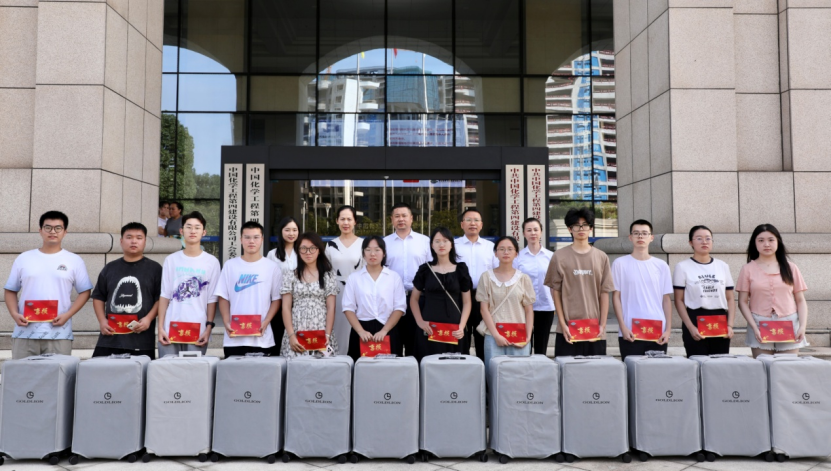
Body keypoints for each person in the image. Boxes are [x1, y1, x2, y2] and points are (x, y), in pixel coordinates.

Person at [4, 211, 93, 359]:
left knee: (58, 374)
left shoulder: (74, 260)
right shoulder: (24, 258)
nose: (53, 232)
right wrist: (14, 314)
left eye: (58, 228)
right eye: (48, 227)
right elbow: (10, 290)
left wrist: (67, 315)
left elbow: (85, 291)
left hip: (59, 333)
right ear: (40, 231)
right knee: (22, 373)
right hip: (25, 332)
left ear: (65, 232)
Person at [544, 208, 615, 357]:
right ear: (570, 229)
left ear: (591, 228)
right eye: (576, 225)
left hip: (595, 329)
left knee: (596, 369)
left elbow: (604, 293)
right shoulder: (559, 256)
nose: (581, 229)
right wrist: (562, 324)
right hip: (568, 329)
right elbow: (556, 292)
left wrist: (602, 325)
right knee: (567, 369)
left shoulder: (601, 257)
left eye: (585, 225)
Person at [737, 224, 808, 358]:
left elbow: (800, 300)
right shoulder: (747, 269)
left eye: (771, 240)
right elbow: (742, 302)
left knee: (787, 366)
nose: (766, 244)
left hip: (788, 321)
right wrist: (754, 327)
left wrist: (802, 326)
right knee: (763, 366)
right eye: (761, 240)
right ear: (754, 243)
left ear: (778, 242)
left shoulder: (791, 268)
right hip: (759, 322)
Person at [92, 222, 162, 358]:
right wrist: (102, 321)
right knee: (100, 369)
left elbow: (160, 299)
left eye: (139, 237)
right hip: (110, 337)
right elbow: (98, 297)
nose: (134, 241)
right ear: (121, 241)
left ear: (145, 241)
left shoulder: (155, 269)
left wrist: (148, 319)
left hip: (141, 339)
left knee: (140, 371)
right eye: (129, 237)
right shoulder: (110, 268)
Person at [214, 221, 282, 357]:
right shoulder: (230, 265)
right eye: (247, 237)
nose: (251, 241)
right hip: (234, 337)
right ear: (241, 239)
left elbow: (276, 299)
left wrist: (266, 321)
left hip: (261, 337)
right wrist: (226, 322)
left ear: (262, 239)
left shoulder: (272, 267)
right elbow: (223, 297)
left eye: (256, 237)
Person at [157, 211, 221, 356]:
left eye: (197, 228)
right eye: (189, 227)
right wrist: (160, 328)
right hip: (170, 328)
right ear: (181, 231)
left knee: (194, 368)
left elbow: (212, 299)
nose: (193, 231)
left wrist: (208, 328)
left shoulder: (212, 262)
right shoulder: (171, 260)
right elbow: (165, 295)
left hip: (197, 329)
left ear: (204, 232)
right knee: (167, 368)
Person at [612, 219, 673, 360]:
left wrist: (668, 330)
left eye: (645, 233)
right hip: (630, 331)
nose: (640, 236)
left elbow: (666, 299)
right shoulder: (619, 263)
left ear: (651, 237)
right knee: (631, 370)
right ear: (630, 237)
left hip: (657, 330)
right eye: (636, 233)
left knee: (655, 370)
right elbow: (616, 297)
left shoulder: (661, 265)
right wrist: (623, 327)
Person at [411, 227, 472, 362]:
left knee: (454, 365)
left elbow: (467, 302)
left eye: (445, 241)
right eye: (437, 241)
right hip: (429, 327)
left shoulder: (461, 269)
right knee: (428, 363)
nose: (441, 244)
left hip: (454, 327)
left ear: (451, 244)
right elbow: (414, 299)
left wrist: (462, 326)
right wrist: (420, 322)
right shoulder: (425, 269)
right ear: (432, 245)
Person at [673, 225, 735, 357]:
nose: (704, 242)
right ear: (691, 242)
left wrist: (730, 325)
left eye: (708, 238)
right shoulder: (682, 267)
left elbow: (730, 298)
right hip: (695, 318)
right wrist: (690, 327)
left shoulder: (722, 266)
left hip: (719, 319)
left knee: (719, 363)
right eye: (699, 238)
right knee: (697, 361)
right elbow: (679, 300)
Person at [342, 236, 406, 360]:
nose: (372, 254)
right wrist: (360, 331)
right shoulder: (354, 278)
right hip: (362, 330)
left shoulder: (393, 277)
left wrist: (384, 331)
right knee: (360, 367)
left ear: (384, 253)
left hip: (388, 329)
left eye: (377, 250)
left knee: (391, 367)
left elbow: (399, 307)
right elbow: (348, 308)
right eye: (368, 250)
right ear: (363, 253)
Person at [477, 236, 535, 369]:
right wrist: (496, 336)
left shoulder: (523, 278)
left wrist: (527, 336)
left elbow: (529, 310)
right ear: (495, 253)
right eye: (501, 249)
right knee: (494, 374)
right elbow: (484, 309)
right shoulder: (486, 277)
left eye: (510, 249)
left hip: (518, 335)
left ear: (516, 253)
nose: (506, 252)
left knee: (519, 373)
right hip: (493, 335)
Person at [281, 232, 340, 357]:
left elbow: (331, 307)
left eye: (312, 248)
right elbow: (286, 307)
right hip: (296, 330)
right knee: (295, 366)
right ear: (298, 251)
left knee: (323, 367)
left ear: (319, 251)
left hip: (321, 329)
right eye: (303, 248)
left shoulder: (328, 275)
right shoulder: (290, 275)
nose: (308, 252)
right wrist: (291, 336)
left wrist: (327, 335)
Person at [384, 202, 432, 357]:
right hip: (391, 300)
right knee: (393, 341)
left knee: (416, 343)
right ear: (391, 219)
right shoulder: (384, 243)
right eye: (397, 216)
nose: (401, 219)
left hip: (419, 299)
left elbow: (431, 270)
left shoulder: (425, 242)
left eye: (404, 216)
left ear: (411, 218)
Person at [454, 208, 494, 362]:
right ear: (462, 224)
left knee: (482, 335)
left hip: (483, 298)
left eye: (476, 220)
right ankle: (463, 368)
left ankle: (483, 369)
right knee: (461, 335)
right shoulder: (453, 245)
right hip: (459, 297)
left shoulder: (490, 247)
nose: (473, 223)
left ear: (481, 225)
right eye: (469, 220)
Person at [325, 205, 364, 357]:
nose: (346, 222)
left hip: (358, 291)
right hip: (336, 292)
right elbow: (326, 271)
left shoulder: (363, 244)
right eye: (342, 219)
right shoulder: (330, 245)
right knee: (337, 326)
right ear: (337, 221)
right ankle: (338, 359)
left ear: (355, 222)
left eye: (349, 219)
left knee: (356, 326)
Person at [516, 217, 556, 355]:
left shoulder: (551, 256)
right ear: (523, 233)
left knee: (541, 346)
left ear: (541, 232)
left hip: (546, 305)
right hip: (523, 307)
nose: (533, 233)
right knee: (524, 344)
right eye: (529, 230)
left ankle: (541, 366)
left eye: (535, 229)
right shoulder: (518, 257)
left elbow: (555, 283)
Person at [265, 216, 300, 355]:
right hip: (278, 301)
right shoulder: (272, 254)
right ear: (281, 231)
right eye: (287, 230)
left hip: (299, 301)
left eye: (294, 230)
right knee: (278, 334)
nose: (291, 233)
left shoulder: (303, 252)